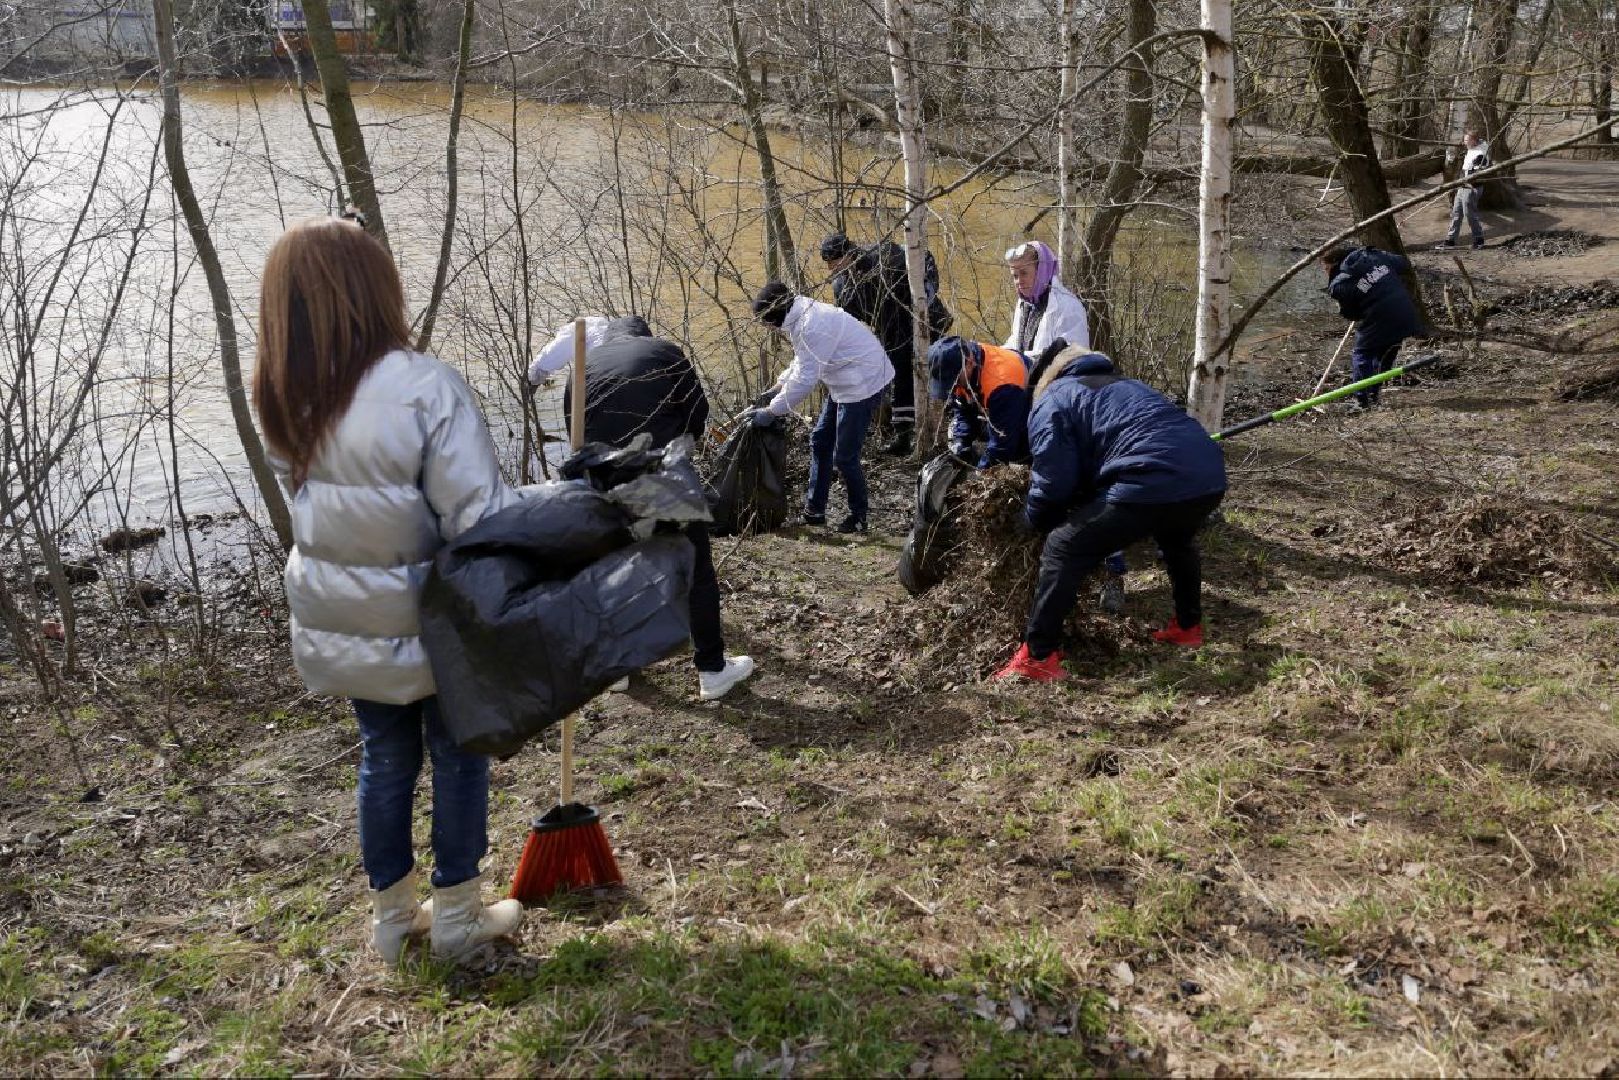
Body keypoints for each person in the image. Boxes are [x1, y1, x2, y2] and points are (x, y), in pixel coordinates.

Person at [252, 217, 522, 963]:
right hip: (435, 614)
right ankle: (461, 919)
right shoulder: (422, 386)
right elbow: (480, 519)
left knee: (385, 756)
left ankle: (393, 923)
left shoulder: (281, 393)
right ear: (373, 289)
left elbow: (320, 501)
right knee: (458, 755)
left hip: (341, 610)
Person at [528, 316, 756, 701]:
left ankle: (616, 671)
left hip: (606, 479)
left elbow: (575, 434)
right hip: (661, 468)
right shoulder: (664, 352)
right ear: (644, 336)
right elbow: (697, 415)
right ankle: (712, 671)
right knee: (696, 570)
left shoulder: (586, 364)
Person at [995, 348, 1227, 682]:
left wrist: (1030, 522)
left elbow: (1053, 485)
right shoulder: (1127, 385)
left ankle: (1038, 656)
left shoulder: (1054, 398)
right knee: (1177, 539)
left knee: (1063, 546)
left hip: (1151, 480)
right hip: (1208, 476)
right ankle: (1188, 628)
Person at [749, 281, 894, 534]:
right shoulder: (799, 317)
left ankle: (858, 516)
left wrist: (773, 411)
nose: (766, 326)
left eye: (765, 321)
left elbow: (807, 378)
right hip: (844, 378)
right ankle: (814, 511)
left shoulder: (812, 324)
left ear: (776, 314)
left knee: (845, 457)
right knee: (820, 440)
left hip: (864, 381)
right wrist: (778, 386)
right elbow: (802, 359)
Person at [820, 232, 949, 457]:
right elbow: (848, 322)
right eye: (829, 264)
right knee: (898, 377)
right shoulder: (843, 287)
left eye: (834, 261)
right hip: (891, 333)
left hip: (924, 323)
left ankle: (937, 430)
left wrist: (925, 295)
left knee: (934, 373)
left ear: (847, 254)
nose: (832, 268)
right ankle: (905, 434)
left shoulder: (885, 254)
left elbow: (923, 257)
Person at [1323, 243, 1427, 410]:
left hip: (1380, 317)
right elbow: (1402, 263)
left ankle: (1362, 400)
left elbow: (1352, 315)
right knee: (1385, 353)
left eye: (1326, 268)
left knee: (1362, 354)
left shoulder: (1339, 285)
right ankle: (1374, 394)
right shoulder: (1373, 256)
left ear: (1334, 264)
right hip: (1405, 312)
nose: (1326, 272)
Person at [925, 335, 1031, 468]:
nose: (954, 387)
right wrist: (961, 444)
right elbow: (963, 409)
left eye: (955, 381)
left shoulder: (1002, 384)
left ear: (969, 363)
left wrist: (980, 475)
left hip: (1028, 412)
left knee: (1016, 455)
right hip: (1000, 408)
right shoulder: (962, 367)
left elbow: (1002, 444)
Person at [1004, 240, 1090, 357]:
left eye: (1024, 273)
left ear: (1041, 271)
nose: (1019, 281)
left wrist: (1024, 361)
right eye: (1015, 276)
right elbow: (1016, 343)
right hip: (1026, 373)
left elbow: (1072, 358)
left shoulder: (1068, 307)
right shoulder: (1025, 303)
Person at [1440, 130, 1490, 250]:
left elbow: (1479, 170)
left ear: (1473, 140)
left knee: (1470, 214)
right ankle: (1450, 241)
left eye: (1467, 140)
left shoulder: (1481, 153)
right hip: (1462, 186)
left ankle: (1479, 240)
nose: (1464, 142)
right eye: (1464, 140)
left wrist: (1471, 177)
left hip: (1472, 187)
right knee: (1456, 212)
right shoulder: (1471, 148)